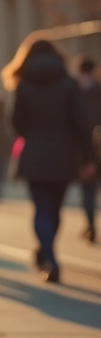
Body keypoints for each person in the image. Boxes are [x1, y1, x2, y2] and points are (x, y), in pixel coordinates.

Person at [4, 35, 98, 283]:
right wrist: (89, 157)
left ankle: (49, 255)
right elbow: (82, 122)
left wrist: (33, 133)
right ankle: (49, 254)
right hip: (63, 155)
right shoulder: (69, 84)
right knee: (55, 210)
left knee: (42, 209)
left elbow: (17, 123)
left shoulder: (24, 85)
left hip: (34, 153)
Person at [74, 56, 101, 243]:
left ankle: (90, 226)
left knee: (88, 192)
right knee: (88, 192)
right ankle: (90, 226)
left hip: (86, 151)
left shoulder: (73, 92)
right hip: (90, 150)